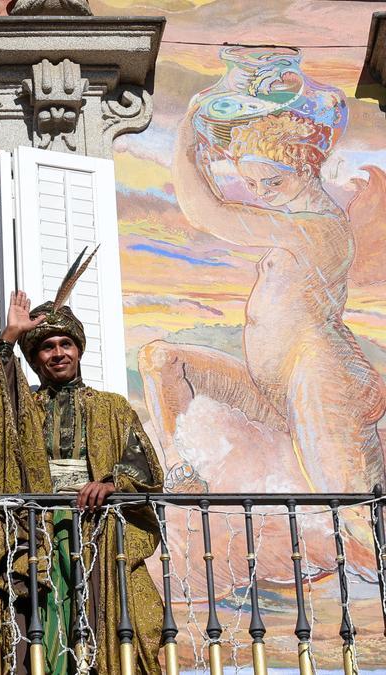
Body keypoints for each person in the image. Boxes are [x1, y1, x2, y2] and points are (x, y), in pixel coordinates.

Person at [138, 101, 386, 571]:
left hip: (322, 377)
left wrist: (188, 138)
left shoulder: (322, 229)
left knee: (351, 509)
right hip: (275, 388)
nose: (263, 194)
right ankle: (180, 470)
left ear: (308, 168)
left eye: (274, 181)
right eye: (252, 184)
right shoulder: (292, 221)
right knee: (160, 359)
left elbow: (206, 212)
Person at [0, 271, 165, 674]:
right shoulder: (23, 411)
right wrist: (9, 339)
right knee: (42, 623)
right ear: (35, 359)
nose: (58, 353)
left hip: (97, 533)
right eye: (47, 347)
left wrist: (109, 483)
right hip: (35, 531)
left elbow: (145, 466)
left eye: (65, 344)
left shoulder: (111, 406)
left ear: (78, 349)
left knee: (100, 621)